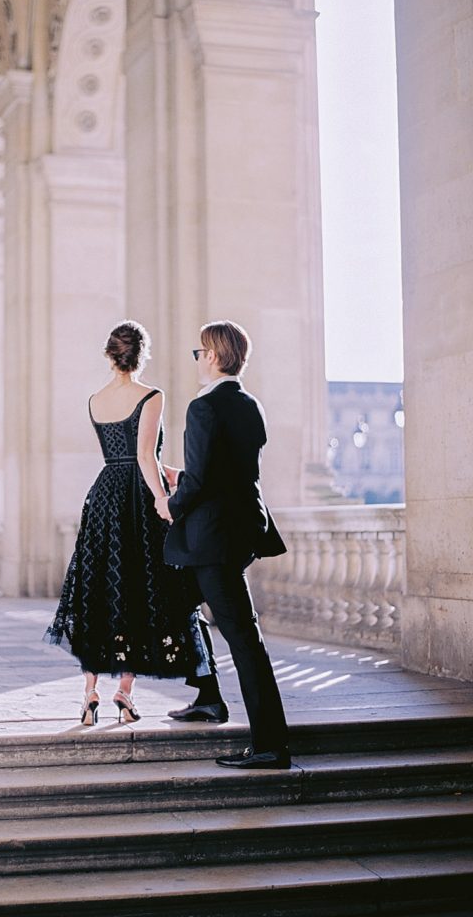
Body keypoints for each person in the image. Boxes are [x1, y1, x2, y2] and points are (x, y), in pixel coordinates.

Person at [45, 320, 212, 726]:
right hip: (136, 498)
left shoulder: (95, 400)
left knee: (98, 588)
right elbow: (144, 457)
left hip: (103, 496)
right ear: (142, 355)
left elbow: (122, 455)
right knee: (138, 587)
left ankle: (89, 695)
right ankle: (124, 693)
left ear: (109, 354)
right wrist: (161, 498)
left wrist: (158, 476)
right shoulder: (151, 395)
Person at [155, 320, 290, 769]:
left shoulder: (203, 407)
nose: (197, 360)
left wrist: (173, 502)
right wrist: (189, 480)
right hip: (243, 527)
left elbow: (204, 475)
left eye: (199, 353)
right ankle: (209, 696)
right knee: (177, 603)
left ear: (213, 356)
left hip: (213, 537)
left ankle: (271, 745)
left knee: (244, 639)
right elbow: (228, 470)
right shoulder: (251, 404)